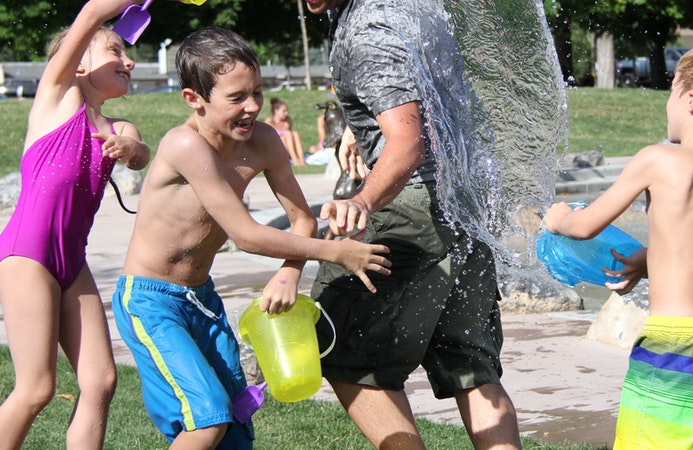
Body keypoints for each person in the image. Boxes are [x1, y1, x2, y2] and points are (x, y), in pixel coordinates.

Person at [111, 27, 391, 450]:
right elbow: (245, 234)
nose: (252, 107)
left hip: (200, 298)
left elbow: (301, 219)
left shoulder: (263, 141)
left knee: (236, 423)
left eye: (257, 92)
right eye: (237, 97)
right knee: (207, 417)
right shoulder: (185, 144)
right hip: (151, 300)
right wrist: (335, 252)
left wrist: (290, 272)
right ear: (194, 99)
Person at [301, 1, 522, 449]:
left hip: (414, 206)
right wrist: (358, 122)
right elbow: (425, 95)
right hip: (464, 202)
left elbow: (406, 143)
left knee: (338, 343)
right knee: (471, 367)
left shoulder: (367, 32)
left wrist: (362, 199)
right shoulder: (411, 7)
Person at [544, 42, 693, 449]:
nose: (667, 104)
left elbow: (584, 226)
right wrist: (647, 260)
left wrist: (556, 218)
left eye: (670, 94)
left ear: (691, 99)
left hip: (674, 343)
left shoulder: (658, 159)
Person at [0, 0, 150, 448]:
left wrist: (128, 148)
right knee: (37, 388)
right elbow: (90, 16)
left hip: (70, 262)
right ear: (80, 63)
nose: (129, 60)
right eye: (115, 51)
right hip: (27, 255)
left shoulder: (120, 124)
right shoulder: (57, 99)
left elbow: (140, 153)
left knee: (100, 381)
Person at [265, 97, 306, 166]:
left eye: (287, 111)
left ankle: (302, 160)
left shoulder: (287, 121)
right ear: (276, 111)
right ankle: (295, 160)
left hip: (287, 149)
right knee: (288, 133)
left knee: (295, 133)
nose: (286, 113)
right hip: (275, 148)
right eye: (284, 111)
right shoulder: (269, 121)